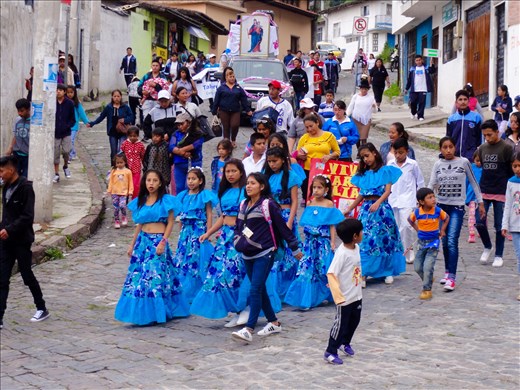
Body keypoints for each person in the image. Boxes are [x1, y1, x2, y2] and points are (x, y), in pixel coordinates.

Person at [231, 173, 303, 343]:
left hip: (265, 252)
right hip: (246, 253)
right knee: (260, 289)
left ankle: (249, 329)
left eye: (252, 183)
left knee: (255, 289)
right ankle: (274, 322)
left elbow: (282, 228)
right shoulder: (243, 204)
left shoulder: (268, 205)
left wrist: (294, 247)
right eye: (247, 183)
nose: (248, 186)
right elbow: (238, 227)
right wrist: (236, 241)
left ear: (262, 187)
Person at [115, 169, 189, 325]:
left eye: (155, 181)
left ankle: (158, 312)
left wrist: (163, 241)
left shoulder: (166, 201)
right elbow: (139, 224)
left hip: (157, 241)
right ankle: (144, 313)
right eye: (149, 180)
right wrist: (132, 244)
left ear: (160, 183)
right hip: (143, 242)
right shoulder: (141, 201)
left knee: (154, 277)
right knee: (139, 277)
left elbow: (170, 223)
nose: (151, 184)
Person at [192, 159, 247, 323]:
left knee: (235, 273)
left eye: (233, 171)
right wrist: (208, 233)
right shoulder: (223, 192)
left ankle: (244, 308)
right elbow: (222, 218)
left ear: (241, 172)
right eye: (227, 171)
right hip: (224, 238)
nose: (230, 174)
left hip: (240, 235)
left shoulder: (246, 191)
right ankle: (234, 309)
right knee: (217, 273)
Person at [343, 143, 405, 287]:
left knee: (385, 240)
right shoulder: (363, 175)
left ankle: (387, 271)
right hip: (366, 211)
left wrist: (378, 203)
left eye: (367, 156)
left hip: (382, 210)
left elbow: (387, 190)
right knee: (365, 241)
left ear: (374, 153)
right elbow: (361, 195)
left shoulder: (385, 171)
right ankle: (364, 273)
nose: (365, 159)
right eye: (363, 157)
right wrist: (350, 208)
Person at [428, 136, 485, 291]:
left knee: (452, 240)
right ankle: (447, 272)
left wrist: (480, 202)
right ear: (440, 149)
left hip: (457, 208)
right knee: (445, 241)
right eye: (444, 147)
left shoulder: (464, 162)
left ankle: (452, 277)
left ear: (455, 147)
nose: (448, 150)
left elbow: (474, 182)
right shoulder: (438, 164)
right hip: (441, 208)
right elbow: (431, 184)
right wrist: (425, 202)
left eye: (450, 147)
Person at [0, 155, 50, 330]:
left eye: (2, 171)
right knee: (2, 278)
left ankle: (41, 307)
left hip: (21, 241)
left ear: (11, 169)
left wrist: (10, 230)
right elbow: (6, 214)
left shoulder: (26, 189)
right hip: (5, 242)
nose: (0, 174)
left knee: (26, 275)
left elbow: (27, 216)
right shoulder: (5, 187)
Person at [285, 174, 344, 310]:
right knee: (306, 269)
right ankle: (306, 299)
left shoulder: (329, 204)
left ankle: (326, 293)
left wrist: (332, 241)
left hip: (322, 242)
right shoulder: (311, 203)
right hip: (310, 243)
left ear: (326, 189)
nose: (316, 190)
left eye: (319, 187)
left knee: (322, 268)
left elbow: (331, 225)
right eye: (314, 187)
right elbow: (307, 222)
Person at [323, 218, 364, 365]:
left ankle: (344, 343)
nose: (362, 234)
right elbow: (332, 273)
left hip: (356, 294)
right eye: (361, 232)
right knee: (340, 324)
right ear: (354, 236)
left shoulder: (356, 248)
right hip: (344, 297)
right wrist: (337, 295)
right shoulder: (342, 254)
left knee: (354, 321)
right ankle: (330, 350)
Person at [264, 147, 303, 297]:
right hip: (270, 216)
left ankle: (290, 287)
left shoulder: (291, 176)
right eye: (270, 161)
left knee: (289, 251)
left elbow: (294, 201)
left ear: (282, 160)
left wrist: (291, 220)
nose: (272, 164)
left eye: (275, 161)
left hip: (286, 215)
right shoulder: (265, 176)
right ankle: (274, 288)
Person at [174, 167, 218, 302]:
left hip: (198, 231)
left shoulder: (204, 195)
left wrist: (208, 231)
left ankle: (198, 289)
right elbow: (180, 215)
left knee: (196, 258)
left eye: (194, 179)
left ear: (200, 181)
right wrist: (180, 231)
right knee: (183, 259)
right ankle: (183, 289)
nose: (190, 182)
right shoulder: (183, 196)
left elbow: (209, 214)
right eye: (189, 179)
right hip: (185, 232)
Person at [475, 120, 514, 268]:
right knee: (479, 221)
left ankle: (499, 254)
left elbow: (511, 170)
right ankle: (487, 246)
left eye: (490, 134)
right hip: (484, 190)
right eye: (485, 135)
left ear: (497, 132)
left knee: (499, 225)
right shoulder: (482, 148)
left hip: (501, 191)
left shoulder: (506, 148)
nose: (487, 138)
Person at [407, 188, 449, 300]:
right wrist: (418, 230)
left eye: (433, 196)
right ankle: (428, 278)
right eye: (429, 197)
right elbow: (410, 220)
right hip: (421, 243)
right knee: (417, 267)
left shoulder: (437, 211)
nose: (433, 199)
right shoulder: (417, 212)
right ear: (421, 202)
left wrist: (443, 230)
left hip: (433, 244)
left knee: (428, 266)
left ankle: (427, 289)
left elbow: (446, 218)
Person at [388, 138, 425, 264]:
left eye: (401, 153)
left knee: (406, 226)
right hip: (393, 199)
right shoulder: (390, 164)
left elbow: (420, 181)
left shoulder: (413, 164)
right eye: (396, 153)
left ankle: (408, 251)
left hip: (408, 199)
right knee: (395, 227)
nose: (398, 155)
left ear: (407, 152)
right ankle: (397, 251)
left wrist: (421, 199)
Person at [296, 113, 340, 203]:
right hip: (307, 172)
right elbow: (297, 153)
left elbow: (337, 152)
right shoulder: (304, 138)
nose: (309, 129)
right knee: (309, 197)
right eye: (307, 127)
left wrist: (330, 156)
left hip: (324, 171)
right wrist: (300, 156)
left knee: (325, 196)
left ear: (317, 123)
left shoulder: (329, 136)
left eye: (311, 126)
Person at [87, 89, 134, 162]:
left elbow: (131, 117)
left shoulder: (125, 107)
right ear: (112, 97)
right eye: (114, 96)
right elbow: (101, 117)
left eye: (118, 96)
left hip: (123, 131)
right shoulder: (109, 107)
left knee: (121, 150)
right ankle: (113, 167)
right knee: (113, 151)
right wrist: (93, 123)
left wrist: (124, 120)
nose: (116, 98)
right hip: (112, 131)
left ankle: (121, 166)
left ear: (121, 97)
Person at [212, 67, 252, 147]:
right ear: (226, 78)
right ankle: (226, 142)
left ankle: (233, 139)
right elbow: (216, 100)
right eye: (230, 77)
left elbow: (243, 99)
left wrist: (248, 110)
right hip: (224, 110)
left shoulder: (238, 88)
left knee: (235, 125)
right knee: (226, 127)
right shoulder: (221, 88)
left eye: (233, 76)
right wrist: (214, 110)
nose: (232, 78)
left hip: (235, 110)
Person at [501, 153, 520, 301]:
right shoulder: (511, 183)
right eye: (515, 166)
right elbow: (507, 205)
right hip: (515, 226)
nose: (517, 169)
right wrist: (505, 224)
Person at [169, 112, 204, 194]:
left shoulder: (197, 133)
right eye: (178, 125)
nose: (179, 126)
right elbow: (171, 147)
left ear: (188, 122)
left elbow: (197, 144)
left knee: (191, 186)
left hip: (194, 163)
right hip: (179, 163)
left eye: (182, 124)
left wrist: (181, 149)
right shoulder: (176, 133)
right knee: (179, 187)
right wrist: (182, 153)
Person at [446, 89, 482, 162]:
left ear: (468, 102)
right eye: (460, 99)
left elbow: (480, 138)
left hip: (471, 156)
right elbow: (448, 137)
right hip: (455, 155)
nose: (463, 102)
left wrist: (478, 152)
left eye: (465, 99)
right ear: (456, 102)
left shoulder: (476, 117)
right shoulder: (451, 119)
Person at [53, 83, 76, 183]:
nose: (58, 91)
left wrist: (67, 125)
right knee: (55, 153)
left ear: (64, 92)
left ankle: (65, 166)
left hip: (66, 132)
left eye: (60, 90)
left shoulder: (70, 103)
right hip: (55, 132)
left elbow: (73, 119)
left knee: (66, 151)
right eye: (57, 90)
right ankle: (56, 173)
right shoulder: (52, 102)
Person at [404, 55, 436, 121]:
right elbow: (409, 80)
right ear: (415, 61)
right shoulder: (412, 69)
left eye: (419, 60)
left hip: (423, 88)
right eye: (417, 60)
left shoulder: (426, 68)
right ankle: (413, 112)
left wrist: (432, 64)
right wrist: (406, 88)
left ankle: (420, 116)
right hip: (414, 89)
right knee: (412, 102)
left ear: (422, 60)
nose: (418, 61)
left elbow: (433, 71)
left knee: (422, 103)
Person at [347, 78, 376, 146]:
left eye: (365, 89)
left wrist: (374, 107)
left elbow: (375, 111)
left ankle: (364, 151)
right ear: (360, 89)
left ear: (367, 90)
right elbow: (351, 106)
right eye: (362, 89)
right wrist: (347, 115)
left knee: (364, 137)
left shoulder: (371, 98)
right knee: (357, 137)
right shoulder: (355, 97)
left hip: (366, 120)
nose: (364, 90)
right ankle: (359, 151)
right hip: (356, 119)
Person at [107, 153, 133, 229]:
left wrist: (130, 191)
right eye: (117, 163)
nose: (119, 164)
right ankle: (117, 220)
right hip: (114, 192)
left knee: (122, 205)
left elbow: (130, 182)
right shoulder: (114, 171)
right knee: (116, 208)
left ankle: (124, 216)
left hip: (123, 192)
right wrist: (109, 190)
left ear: (125, 162)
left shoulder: (128, 172)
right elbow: (111, 181)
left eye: (121, 162)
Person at [5, 99, 31, 177]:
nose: (19, 113)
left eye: (22, 111)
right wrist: (10, 148)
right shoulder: (17, 120)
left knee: (25, 177)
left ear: (28, 109)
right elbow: (15, 135)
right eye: (18, 111)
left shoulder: (33, 122)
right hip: (17, 154)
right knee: (15, 176)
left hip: (27, 156)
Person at [66, 85, 90, 161]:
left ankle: (71, 155)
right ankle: (73, 152)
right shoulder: (64, 102)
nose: (69, 94)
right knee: (67, 141)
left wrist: (86, 122)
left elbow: (82, 113)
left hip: (74, 125)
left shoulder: (76, 103)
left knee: (71, 140)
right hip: (66, 125)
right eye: (68, 92)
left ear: (74, 93)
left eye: (71, 92)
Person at [120, 126, 145, 199]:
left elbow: (143, 156)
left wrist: (145, 165)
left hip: (136, 168)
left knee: (135, 185)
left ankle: (135, 199)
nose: (132, 138)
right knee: (125, 184)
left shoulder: (140, 145)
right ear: (128, 136)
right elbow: (121, 154)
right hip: (126, 168)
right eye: (130, 136)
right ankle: (125, 198)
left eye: (134, 136)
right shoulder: (125, 143)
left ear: (137, 136)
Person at [466, 150, 482, 243]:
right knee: (472, 215)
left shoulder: (485, 170)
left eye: (481, 161)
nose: (479, 163)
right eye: (477, 160)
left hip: (482, 196)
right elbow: (466, 181)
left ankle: (481, 230)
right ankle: (471, 233)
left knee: (482, 215)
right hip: (472, 195)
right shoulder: (471, 168)